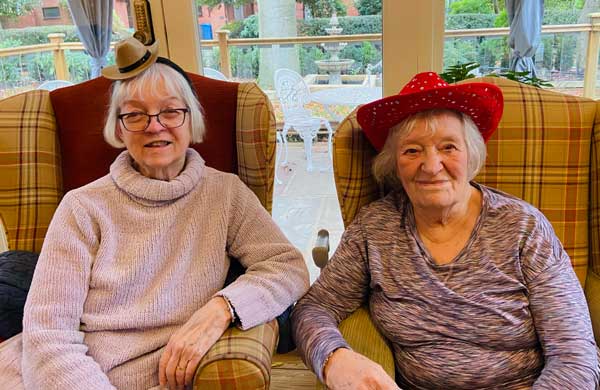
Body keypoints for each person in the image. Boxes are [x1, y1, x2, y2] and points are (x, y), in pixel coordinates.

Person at [0, 37, 309, 390]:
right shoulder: (82, 207)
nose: (154, 125)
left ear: (191, 121)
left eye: (171, 111)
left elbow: (287, 265)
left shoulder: (226, 194)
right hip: (63, 376)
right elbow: (48, 333)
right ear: (118, 128)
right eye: (134, 114)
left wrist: (222, 309)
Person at [291, 71, 599, 389]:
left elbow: (575, 355)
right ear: (393, 163)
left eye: (448, 147)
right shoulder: (375, 229)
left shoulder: (523, 228)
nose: (432, 165)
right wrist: (333, 358)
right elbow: (314, 307)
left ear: (471, 153)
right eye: (412, 151)